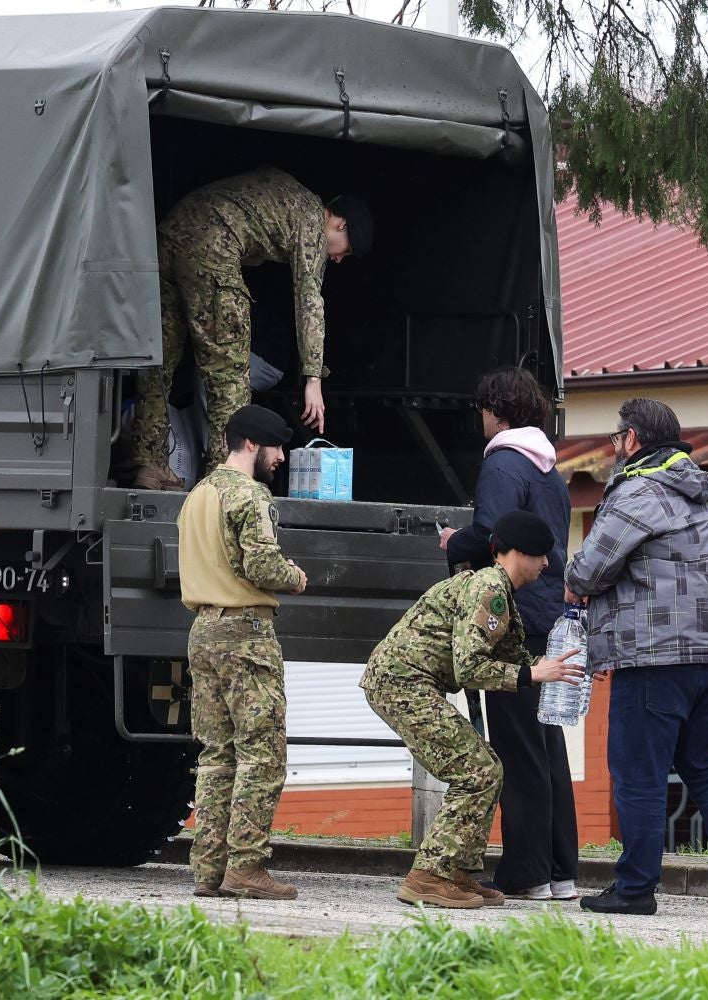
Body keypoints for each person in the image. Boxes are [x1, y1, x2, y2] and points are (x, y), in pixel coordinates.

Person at [565, 398, 708, 916]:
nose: (612, 448)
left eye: (614, 438)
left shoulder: (638, 490)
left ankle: (634, 890)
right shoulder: (703, 493)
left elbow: (589, 569)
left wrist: (570, 584)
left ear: (632, 440)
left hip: (655, 655)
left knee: (639, 773)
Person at [362, 510, 585, 909]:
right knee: (479, 771)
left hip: (409, 682)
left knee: (488, 768)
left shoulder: (499, 593)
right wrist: (532, 673)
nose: (547, 564)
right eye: (540, 555)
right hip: (402, 683)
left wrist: (561, 671)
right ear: (515, 553)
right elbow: (470, 666)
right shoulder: (488, 588)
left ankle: (458, 873)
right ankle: (430, 875)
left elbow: (511, 658)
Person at [132, 167, 373, 490]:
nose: (340, 260)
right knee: (228, 374)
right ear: (340, 225)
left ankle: (150, 466)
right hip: (213, 247)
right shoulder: (311, 222)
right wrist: (313, 378)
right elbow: (309, 301)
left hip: (169, 236)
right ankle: (224, 483)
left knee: (158, 362)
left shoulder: (288, 191)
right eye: (346, 250)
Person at [438, 367, 578, 902]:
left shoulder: (503, 460)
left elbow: (492, 532)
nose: (481, 418)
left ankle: (526, 873)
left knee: (517, 749)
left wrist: (454, 542)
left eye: (483, 409)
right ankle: (562, 871)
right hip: (549, 615)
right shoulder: (550, 470)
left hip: (512, 614)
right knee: (547, 745)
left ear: (496, 409)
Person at [177, 404, 309, 900]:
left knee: (216, 756)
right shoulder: (248, 495)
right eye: (276, 447)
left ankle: (208, 869)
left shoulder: (197, 495)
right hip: (245, 635)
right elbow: (261, 563)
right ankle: (247, 866)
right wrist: (293, 577)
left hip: (204, 632)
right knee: (262, 753)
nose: (280, 458)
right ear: (252, 444)